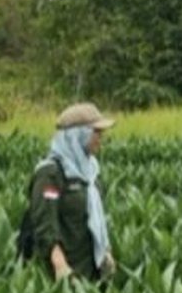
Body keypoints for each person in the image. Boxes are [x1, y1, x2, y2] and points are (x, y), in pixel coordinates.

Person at [24, 102, 117, 281]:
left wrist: (106, 252)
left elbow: (96, 218)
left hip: (91, 269)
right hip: (64, 272)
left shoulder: (91, 172)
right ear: (78, 135)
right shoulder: (51, 173)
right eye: (96, 132)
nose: (100, 138)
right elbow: (45, 224)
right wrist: (60, 264)